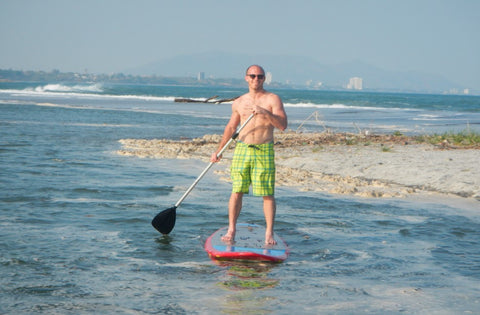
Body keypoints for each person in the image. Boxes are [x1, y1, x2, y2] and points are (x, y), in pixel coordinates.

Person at [210, 65, 288, 245]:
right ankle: (231, 229)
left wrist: (266, 113)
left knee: (267, 193)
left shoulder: (273, 99)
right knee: (236, 190)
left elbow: (283, 125)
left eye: (260, 76)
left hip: (264, 149)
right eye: (252, 76)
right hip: (242, 149)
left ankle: (269, 233)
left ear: (264, 79)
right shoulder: (239, 102)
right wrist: (219, 150)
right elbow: (231, 127)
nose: (256, 79)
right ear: (246, 78)